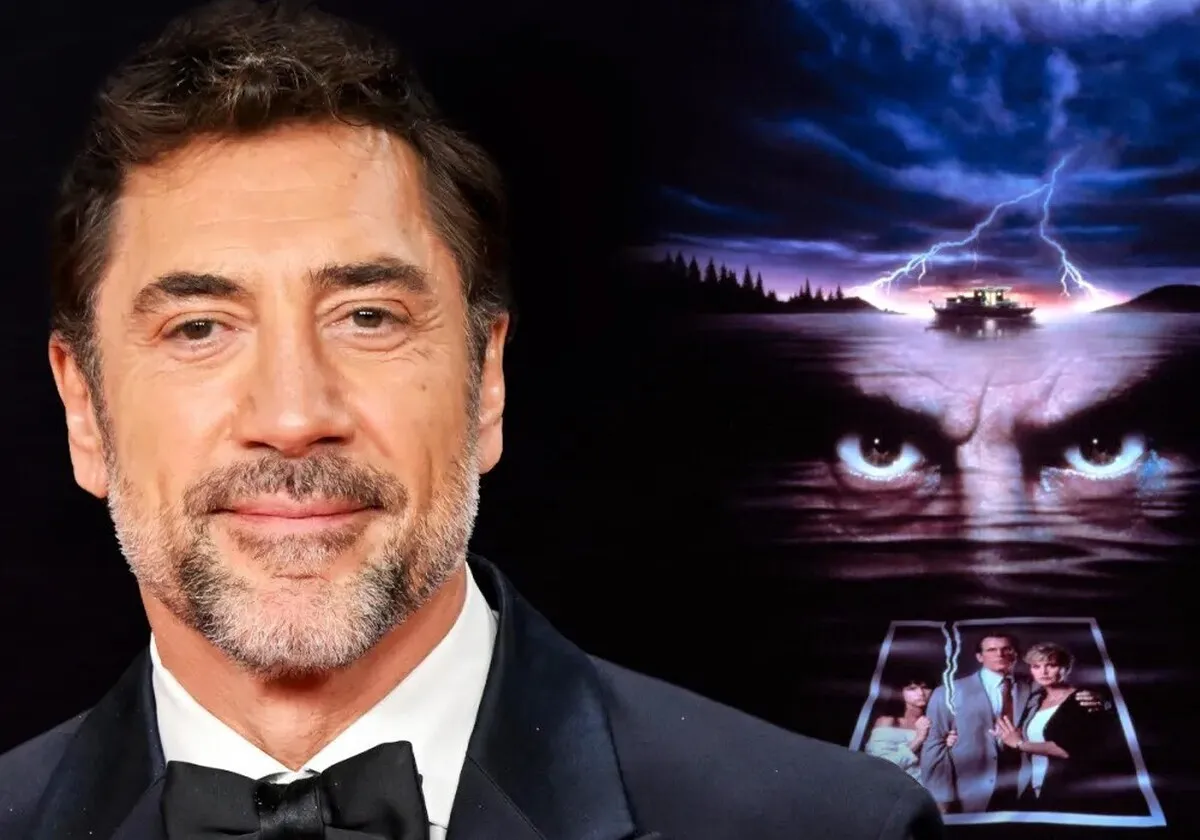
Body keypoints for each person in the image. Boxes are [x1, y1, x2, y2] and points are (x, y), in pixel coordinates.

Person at [0, 2, 943, 838]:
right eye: (199, 328)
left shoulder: (832, 826)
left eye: (368, 318)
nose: (292, 416)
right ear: (84, 410)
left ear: (486, 382)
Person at [919, 632, 1101, 813]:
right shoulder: (948, 692)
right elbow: (934, 744)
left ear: (1016, 655)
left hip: (1021, 787)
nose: (1000, 654)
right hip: (970, 789)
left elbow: (1065, 696)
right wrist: (940, 797)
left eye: (1006, 649)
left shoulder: (1032, 687)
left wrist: (1098, 699)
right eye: (991, 650)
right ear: (979, 657)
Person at [994, 642, 1131, 814]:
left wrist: (1020, 744)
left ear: (1066, 668)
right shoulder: (1036, 700)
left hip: (1068, 787)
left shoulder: (1082, 700)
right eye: (1036, 666)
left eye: (1051, 665)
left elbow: (1067, 749)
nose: (1043, 672)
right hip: (1035, 785)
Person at [865, 678, 958, 782]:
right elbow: (880, 768)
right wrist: (918, 739)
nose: (921, 693)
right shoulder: (889, 722)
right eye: (912, 688)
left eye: (925, 687)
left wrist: (946, 747)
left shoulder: (938, 723)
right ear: (901, 692)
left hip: (929, 786)